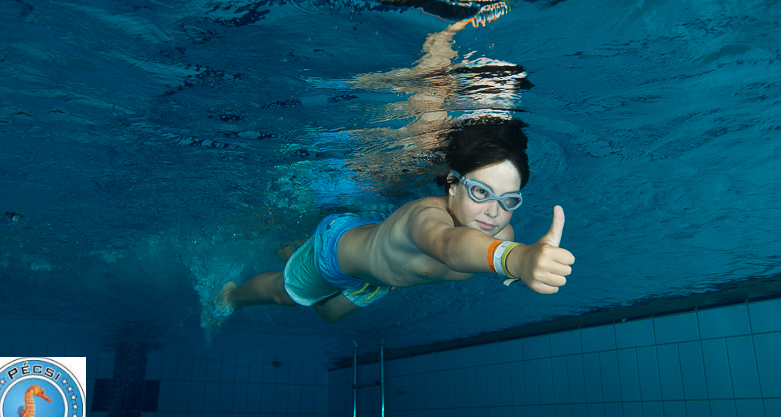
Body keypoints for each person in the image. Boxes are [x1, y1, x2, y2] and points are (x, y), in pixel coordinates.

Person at [206, 116, 574, 325]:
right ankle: (232, 296)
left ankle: (294, 251)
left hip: (381, 275)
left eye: (509, 200)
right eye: (481, 192)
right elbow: (449, 246)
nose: (494, 212)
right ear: (452, 185)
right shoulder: (426, 217)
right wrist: (518, 259)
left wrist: (531, 264)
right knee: (286, 296)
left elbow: (482, 251)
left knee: (330, 315)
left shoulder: (502, 231)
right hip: (338, 254)